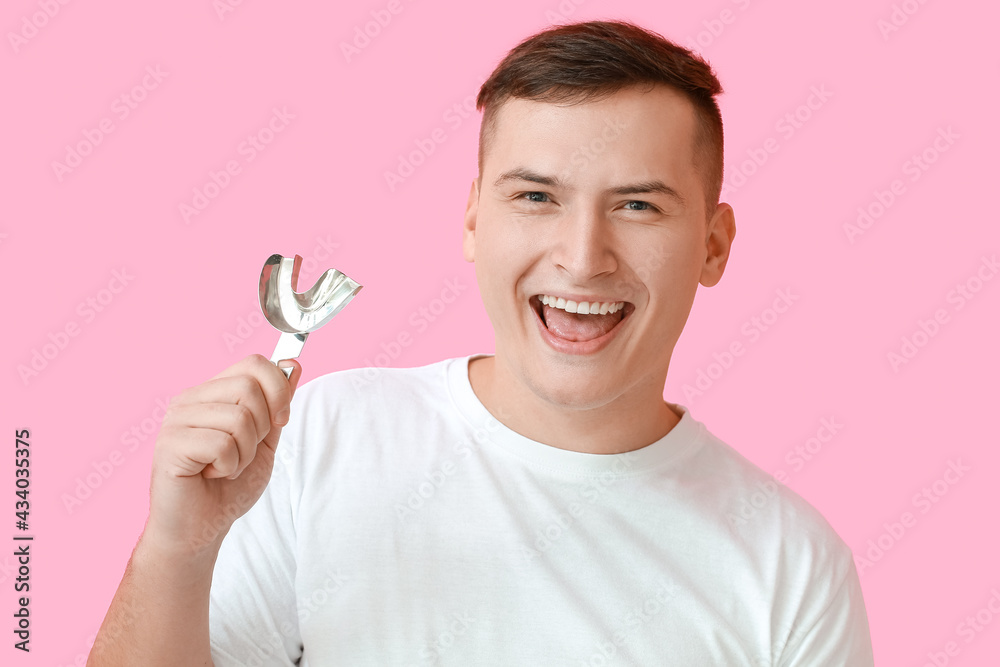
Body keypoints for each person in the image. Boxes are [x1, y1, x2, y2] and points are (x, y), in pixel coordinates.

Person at [89, 19, 874, 666]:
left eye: (637, 205)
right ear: (472, 220)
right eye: (535, 196)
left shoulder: (791, 568)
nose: (581, 255)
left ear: (713, 243)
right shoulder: (320, 439)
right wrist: (177, 550)